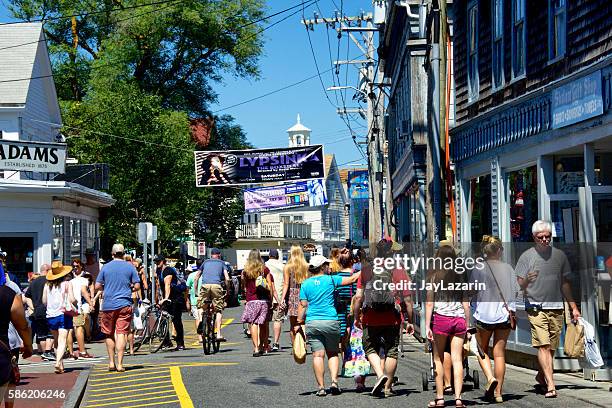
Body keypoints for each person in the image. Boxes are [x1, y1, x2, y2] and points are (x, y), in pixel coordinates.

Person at [515, 220, 581, 399]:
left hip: (556, 307)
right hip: (536, 308)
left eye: (548, 237)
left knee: (551, 347)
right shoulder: (526, 257)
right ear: (534, 238)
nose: (545, 240)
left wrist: (573, 307)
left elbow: (565, 284)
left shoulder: (559, 256)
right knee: (543, 346)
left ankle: (541, 375)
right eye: (541, 237)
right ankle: (551, 385)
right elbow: (519, 283)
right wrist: (527, 279)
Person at [353, 240, 414, 398]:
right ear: (392, 253)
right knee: (391, 351)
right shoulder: (398, 270)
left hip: (370, 316)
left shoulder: (367, 269)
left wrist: (356, 316)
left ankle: (380, 375)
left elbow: (358, 297)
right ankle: (387, 388)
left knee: (369, 348)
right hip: (392, 317)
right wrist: (410, 321)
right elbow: (407, 299)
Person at [297, 254, 361, 396]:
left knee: (318, 356)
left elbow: (303, 305)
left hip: (312, 322)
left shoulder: (305, 284)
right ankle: (334, 382)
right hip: (330, 321)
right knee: (333, 353)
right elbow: (352, 279)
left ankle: (321, 387)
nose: (329, 266)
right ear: (322, 267)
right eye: (327, 264)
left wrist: (298, 323)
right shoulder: (331, 280)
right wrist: (366, 269)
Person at [470, 235, 516, 402]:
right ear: (500, 251)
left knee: (481, 350)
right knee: (499, 354)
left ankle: (490, 378)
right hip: (504, 315)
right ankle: (499, 393)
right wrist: (512, 310)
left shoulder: (478, 268)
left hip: (483, 315)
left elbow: (472, 290)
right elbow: (514, 292)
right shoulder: (508, 269)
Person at [425, 245, 471, 408]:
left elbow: (429, 303)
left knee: (438, 358)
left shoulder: (434, 276)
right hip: (458, 319)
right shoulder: (460, 275)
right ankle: (458, 398)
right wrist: (468, 323)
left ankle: (440, 398)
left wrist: (427, 326)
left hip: (441, 319)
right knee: (458, 359)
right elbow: (466, 303)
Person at [95, 244, 140, 372]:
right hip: (124, 304)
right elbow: (137, 285)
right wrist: (130, 287)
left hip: (108, 305)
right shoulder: (130, 267)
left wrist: (106, 289)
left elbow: (97, 285)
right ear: (124, 253)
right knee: (121, 333)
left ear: (112, 253)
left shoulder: (106, 267)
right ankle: (120, 364)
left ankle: (111, 362)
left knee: (108, 333)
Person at [0, 262, 32, 406]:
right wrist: (28, 345)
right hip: (2, 350)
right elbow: (23, 325)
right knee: (8, 382)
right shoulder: (7, 293)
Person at [43, 261, 77, 374]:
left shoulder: (47, 285)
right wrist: (75, 302)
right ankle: (58, 363)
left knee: (57, 340)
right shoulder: (67, 284)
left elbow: (44, 301)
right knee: (62, 340)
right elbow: (72, 299)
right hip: (63, 314)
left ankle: (61, 365)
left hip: (50, 315)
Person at [241, 249, 274, 356]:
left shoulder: (245, 271)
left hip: (251, 300)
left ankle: (255, 348)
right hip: (263, 300)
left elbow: (244, 286)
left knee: (253, 323)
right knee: (263, 324)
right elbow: (270, 286)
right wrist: (271, 300)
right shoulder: (264, 269)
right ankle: (262, 346)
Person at [198, 248, 230, 342]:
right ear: (219, 255)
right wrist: (227, 290)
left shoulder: (205, 262)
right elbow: (227, 278)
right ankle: (219, 334)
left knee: (201, 306)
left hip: (205, 285)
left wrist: (196, 291)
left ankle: (201, 321)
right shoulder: (222, 263)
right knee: (218, 309)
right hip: (216, 285)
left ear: (211, 255)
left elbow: (197, 277)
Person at [154, 255, 185, 351]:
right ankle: (166, 342)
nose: (156, 263)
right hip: (166, 298)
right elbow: (158, 286)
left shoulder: (168, 270)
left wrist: (166, 298)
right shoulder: (158, 271)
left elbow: (167, 285)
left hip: (176, 298)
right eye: (155, 262)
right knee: (162, 318)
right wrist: (157, 299)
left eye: (158, 262)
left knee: (176, 320)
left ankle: (180, 343)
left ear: (163, 261)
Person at [280, 245, 309, 345]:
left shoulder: (287, 267)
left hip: (292, 296)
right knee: (303, 322)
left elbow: (286, 284)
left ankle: (296, 347)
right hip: (305, 295)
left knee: (293, 324)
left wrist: (282, 299)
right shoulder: (306, 266)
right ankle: (304, 343)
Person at [24, 264, 54, 360]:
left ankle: (45, 353)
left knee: (41, 334)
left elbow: (27, 296)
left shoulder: (33, 282)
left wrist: (33, 307)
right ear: (47, 270)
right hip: (48, 309)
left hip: (37, 311)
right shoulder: (50, 281)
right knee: (50, 332)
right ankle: (47, 352)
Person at [69, 258, 94, 359]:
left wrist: (92, 299)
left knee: (69, 330)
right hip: (75, 306)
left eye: (77, 266)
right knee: (78, 327)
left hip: (63, 307)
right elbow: (84, 291)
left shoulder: (63, 280)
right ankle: (82, 351)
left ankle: (70, 352)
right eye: (73, 267)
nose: (75, 268)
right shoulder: (78, 280)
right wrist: (91, 303)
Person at [265, 249, 284, 351]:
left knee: (266, 321)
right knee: (277, 320)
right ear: (277, 256)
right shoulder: (283, 266)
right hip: (279, 296)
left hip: (266, 296)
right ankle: (276, 342)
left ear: (269, 256)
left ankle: (265, 341)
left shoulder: (264, 266)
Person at [186, 264, 203, 343]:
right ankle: (209, 333)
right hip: (204, 300)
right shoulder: (204, 274)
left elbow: (187, 288)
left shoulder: (191, 276)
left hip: (194, 300)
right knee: (206, 316)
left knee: (197, 318)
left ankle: (200, 337)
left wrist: (187, 299)